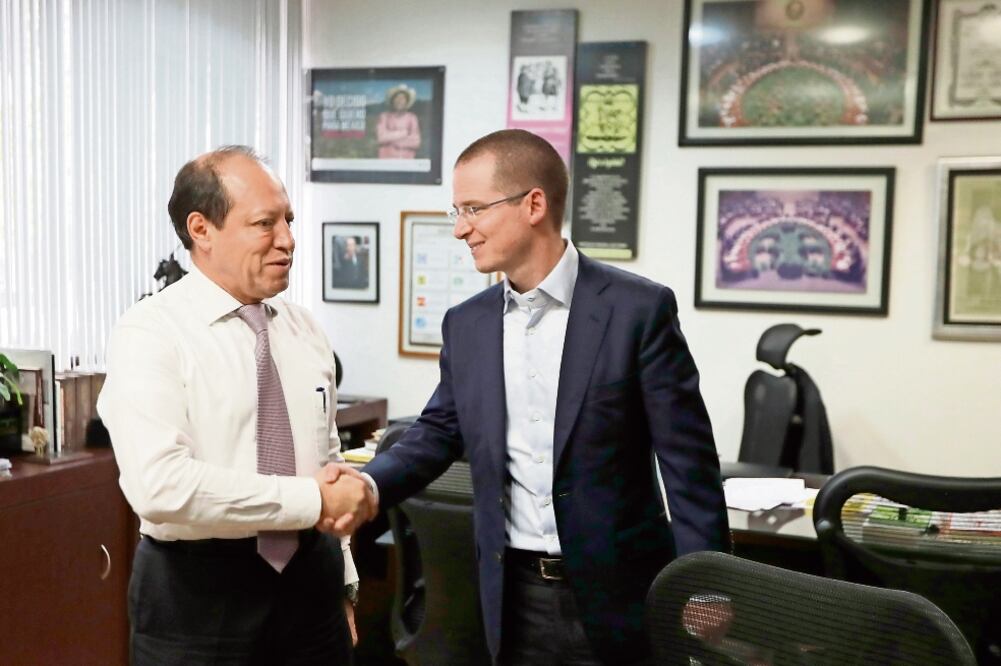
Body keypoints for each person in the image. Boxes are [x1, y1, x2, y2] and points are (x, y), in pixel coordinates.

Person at [359, 129, 730, 665]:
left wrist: (708, 583)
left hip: (620, 595)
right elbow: (438, 432)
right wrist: (369, 485)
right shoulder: (467, 325)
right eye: (455, 211)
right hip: (512, 598)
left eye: (473, 209)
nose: (461, 229)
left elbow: (688, 463)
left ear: (534, 204)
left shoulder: (636, 311)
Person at [97, 145, 377, 665]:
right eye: (264, 223)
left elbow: (326, 461)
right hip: (199, 596)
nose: (288, 240)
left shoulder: (304, 330)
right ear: (201, 229)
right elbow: (161, 488)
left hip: (311, 589)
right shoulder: (150, 333)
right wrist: (310, 502)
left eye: (288, 220)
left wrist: (344, 581)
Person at [376, 84, 421, 159]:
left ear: (406, 101)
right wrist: (404, 133)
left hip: (407, 160)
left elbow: (416, 142)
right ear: (392, 101)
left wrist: (391, 140)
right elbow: (381, 138)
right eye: (397, 98)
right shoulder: (384, 116)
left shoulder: (412, 117)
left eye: (402, 98)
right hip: (386, 159)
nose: (399, 101)